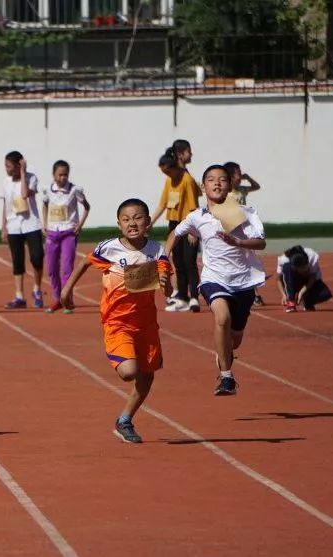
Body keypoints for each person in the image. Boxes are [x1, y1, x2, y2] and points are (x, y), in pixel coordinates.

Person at [60, 198, 172, 444]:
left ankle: (125, 420)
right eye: (126, 219)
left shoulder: (157, 250)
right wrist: (67, 289)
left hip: (146, 324)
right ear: (119, 223)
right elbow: (86, 261)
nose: (132, 223)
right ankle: (119, 353)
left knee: (148, 376)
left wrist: (167, 284)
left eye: (138, 217)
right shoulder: (109, 248)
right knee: (129, 372)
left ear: (148, 222)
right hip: (117, 321)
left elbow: (169, 288)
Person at [165, 165, 267, 396]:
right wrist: (164, 259)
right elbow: (175, 233)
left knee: (235, 340)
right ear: (204, 187)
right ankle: (226, 377)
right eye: (211, 179)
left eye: (222, 179)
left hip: (244, 281)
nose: (217, 183)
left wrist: (238, 242)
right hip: (214, 279)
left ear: (230, 186)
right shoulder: (197, 216)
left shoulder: (247, 213)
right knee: (222, 317)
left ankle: (224, 353)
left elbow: (261, 243)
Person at [149, 141, 202, 313]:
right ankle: (182, 297)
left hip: (188, 225)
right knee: (178, 261)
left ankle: (194, 296)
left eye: (167, 171)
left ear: (173, 166)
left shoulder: (186, 180)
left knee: (189, 261)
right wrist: (150, 222)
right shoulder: (169, 181)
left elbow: (194, 208)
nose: (166, 174)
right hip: (173, 224)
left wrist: (194, 230)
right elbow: (162, 204)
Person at [42, 160, 90, 314]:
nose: (63, 178)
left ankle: (67, 299)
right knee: (51, 268)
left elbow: (87, 207)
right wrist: (44, 223)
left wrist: (80, 224)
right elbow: (44, 204)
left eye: (65, 175)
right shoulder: (48, 190)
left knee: (67, 268)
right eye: (60, 175)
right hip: (52, 232)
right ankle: (57, 298)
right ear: (54, 175)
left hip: (69, 232)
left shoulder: (75, 190)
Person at [1, 151, 45, 309]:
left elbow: (25, 194)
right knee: (17, 261)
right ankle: (19, 296)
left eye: (9, 166)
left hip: (31, 224)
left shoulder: (31, 178)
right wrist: (3, 227)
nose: (6, 169)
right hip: (13, 226)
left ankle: (37, 289)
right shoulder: (6, 182)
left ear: (18, 165)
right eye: (5, 166)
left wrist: (23, 172)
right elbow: (5, 205)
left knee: (37, 257)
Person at [224, 161, 265, 306]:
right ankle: (234, 290)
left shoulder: (241, 189)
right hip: (232, 229)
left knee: (248, 261)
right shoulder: (227, 192)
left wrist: (248, 177)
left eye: (241, 174)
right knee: (234, 261)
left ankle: (255, 293)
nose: (240, 177)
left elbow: (257, 187)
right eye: (238, 174)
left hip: (245, 229)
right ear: (229, 176)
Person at [276, 245, 332, 312]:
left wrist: (302, 292)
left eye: (305, 267)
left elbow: (313, 277)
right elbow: (279, 279)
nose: (304, 270)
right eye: (301, 268)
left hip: (309, 281)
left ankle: (307, 302)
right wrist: (284, 295)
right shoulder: (283, 260)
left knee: (325, 294)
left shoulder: (312, 256)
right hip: (293, 281)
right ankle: (291, 301)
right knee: (287, 267)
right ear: (295, 267)